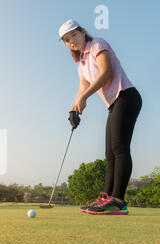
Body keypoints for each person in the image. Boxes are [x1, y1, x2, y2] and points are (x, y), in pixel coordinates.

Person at [58, 19, 142, 215]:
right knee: (109, 153)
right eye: (66, 40)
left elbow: (105, 73)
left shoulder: (98, 44)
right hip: (113, 104)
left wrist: (85, 97)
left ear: (83, 32)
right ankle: (107, 199)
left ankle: (118, 200)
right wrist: (74, 109)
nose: (72, 41)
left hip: (126, 96)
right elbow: (82, 89)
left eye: (74, 35)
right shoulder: (82, 64)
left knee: (119, 148)